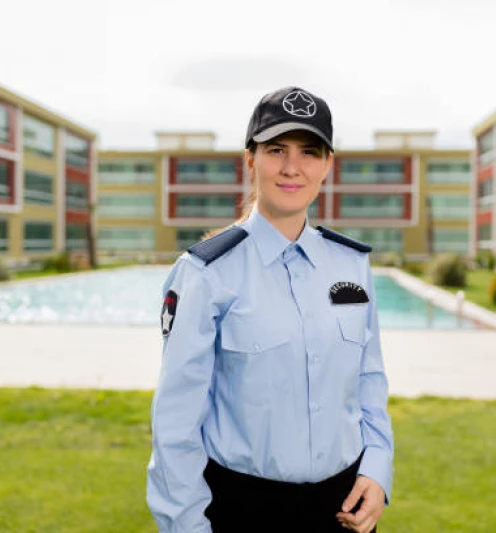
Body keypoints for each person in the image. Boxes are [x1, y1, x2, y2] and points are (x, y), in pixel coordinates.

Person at [147, 86, 394, 533]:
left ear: (327, 166)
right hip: (244, 509)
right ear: (250, 160)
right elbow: (176, 423)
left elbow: (368, 379)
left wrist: (377, 466)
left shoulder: (352, 265)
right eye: (277, 149)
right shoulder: (206, 273)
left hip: (345, 508)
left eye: (309, 152)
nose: (292, 167)